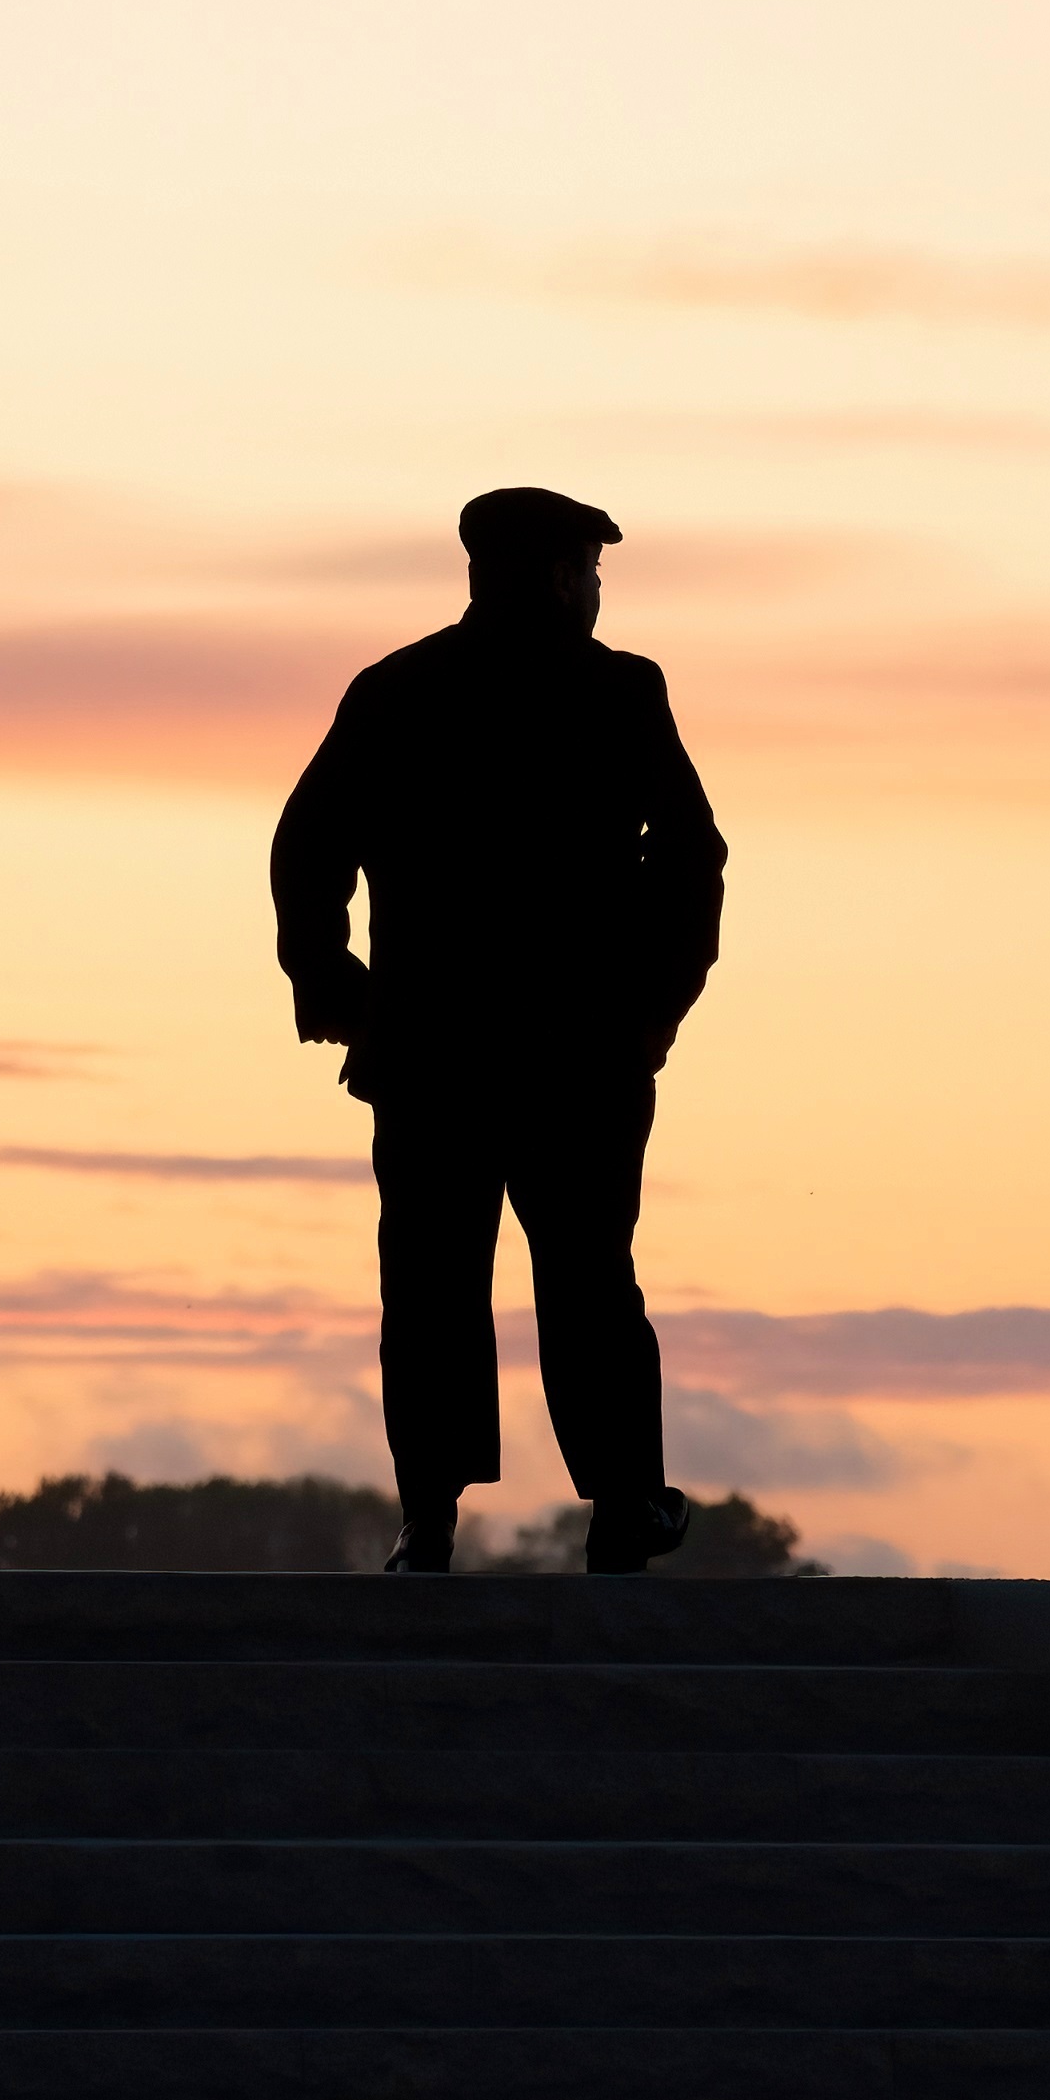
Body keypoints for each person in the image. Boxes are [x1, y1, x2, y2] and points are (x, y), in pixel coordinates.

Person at [269, 487, 728, 1575]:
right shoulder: (618, 692)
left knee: (431, 1286)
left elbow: (307, 849)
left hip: (434, 1052)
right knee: (587, 1280)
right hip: (580, 1055)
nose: (596, 594)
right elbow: (694, 859)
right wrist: (653, 1007)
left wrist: (336, 987)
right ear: (563, 576)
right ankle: (620, 1505)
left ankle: (431, 1515)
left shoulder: (398, 691)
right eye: (590, 572)